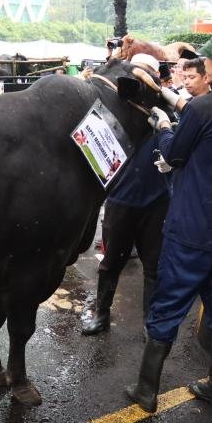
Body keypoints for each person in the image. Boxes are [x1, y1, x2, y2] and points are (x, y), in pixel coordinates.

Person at [126, 25, 212, 414]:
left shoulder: (205, 108)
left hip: (191, 227)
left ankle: (146, 390)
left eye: (208, 60)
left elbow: (174, 155)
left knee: (169, 304)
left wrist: (165, 126)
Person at [82, 55, 170, 336]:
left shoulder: (167, 112)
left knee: (153, 266)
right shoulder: (111, 109)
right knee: (110, 264)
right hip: (121, 200)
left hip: (157, 202)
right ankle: (101, 314)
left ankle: (150, 322)